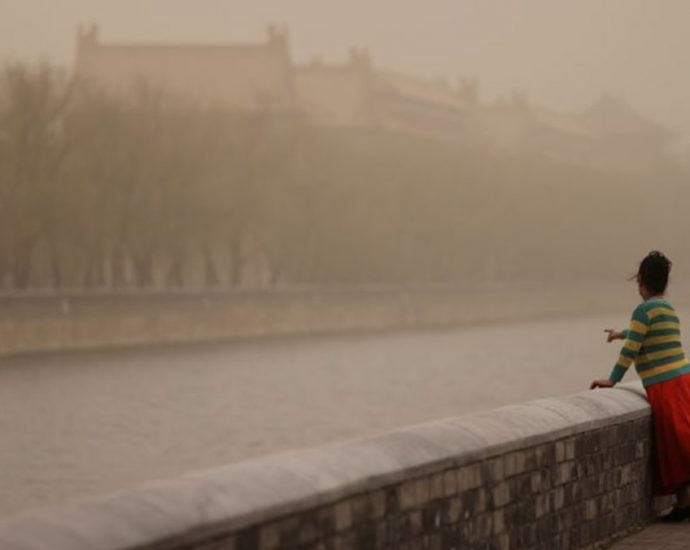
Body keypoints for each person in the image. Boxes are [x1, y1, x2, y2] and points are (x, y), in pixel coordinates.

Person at [591, 251, 690, 522]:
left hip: (665, 384)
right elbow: (642, 334)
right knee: (683, 437)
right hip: (683, 378)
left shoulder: (643, 310)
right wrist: (620, 333)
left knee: (675, 443)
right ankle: (684, 504)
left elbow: (632, 348)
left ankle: (683, 504)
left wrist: (613, 379)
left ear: (642, 282)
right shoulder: (668, 309)